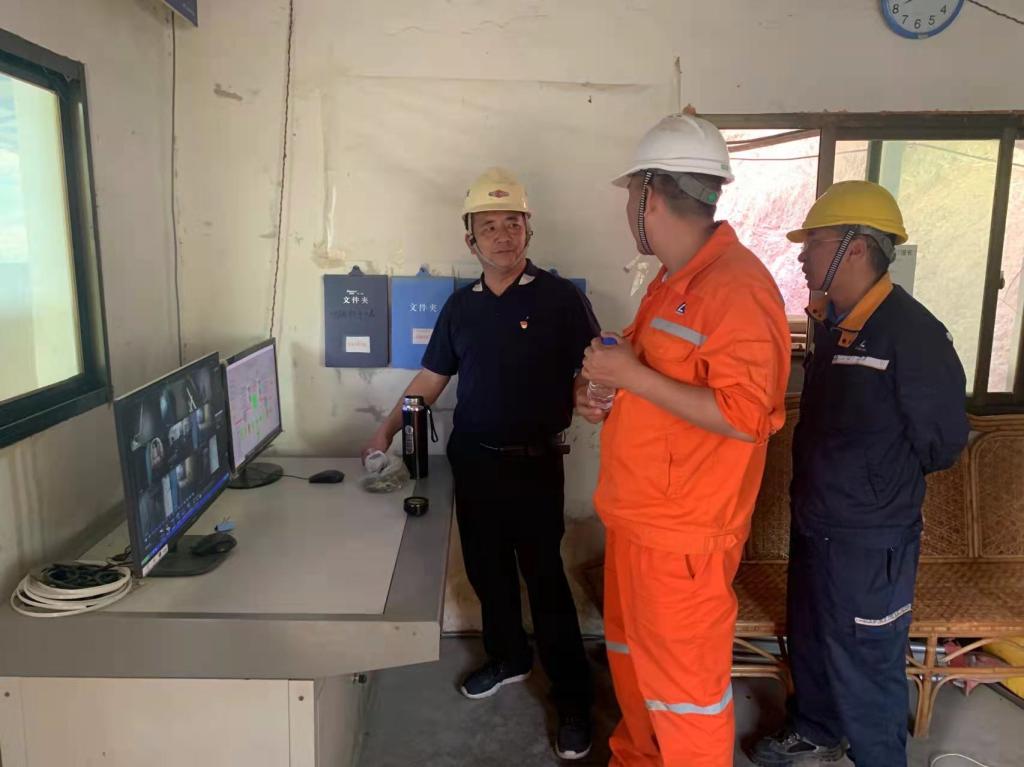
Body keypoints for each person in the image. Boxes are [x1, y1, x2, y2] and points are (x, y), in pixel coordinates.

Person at [363, 167, 598, 760]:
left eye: (512, 223)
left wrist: (587, 394)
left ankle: (574, 699)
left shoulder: (561, 298)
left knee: (545, 578)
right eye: (489, 226)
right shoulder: (459, 308)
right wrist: (385, 430)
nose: (502, 235)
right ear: (470, 240)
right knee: (488, 572)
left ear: (528, 230)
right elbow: (430, 379)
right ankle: (509, 657)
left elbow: (593, 369)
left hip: (536, 463)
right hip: (473, 461)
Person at [578, 114, 791, 766]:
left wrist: (632, 375)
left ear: (649, 195)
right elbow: (653, 381)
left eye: (629, 194)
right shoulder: (672, 280)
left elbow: (747, 415)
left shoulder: (738, 288)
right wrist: (605, 392)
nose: (627, 209)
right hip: (638, 523)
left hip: (683, 543)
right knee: (635, 675)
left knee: (685, 702)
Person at [750, 181, 970, 766]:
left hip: (871, 539)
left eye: (814, 242)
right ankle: (817, 728)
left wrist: (874, 484)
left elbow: (943, 442)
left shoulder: (913, 333)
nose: (802, 255)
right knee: (812, 637)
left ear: (855, 247)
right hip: (815, 521)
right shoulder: (833, 323)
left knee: (868, 661)